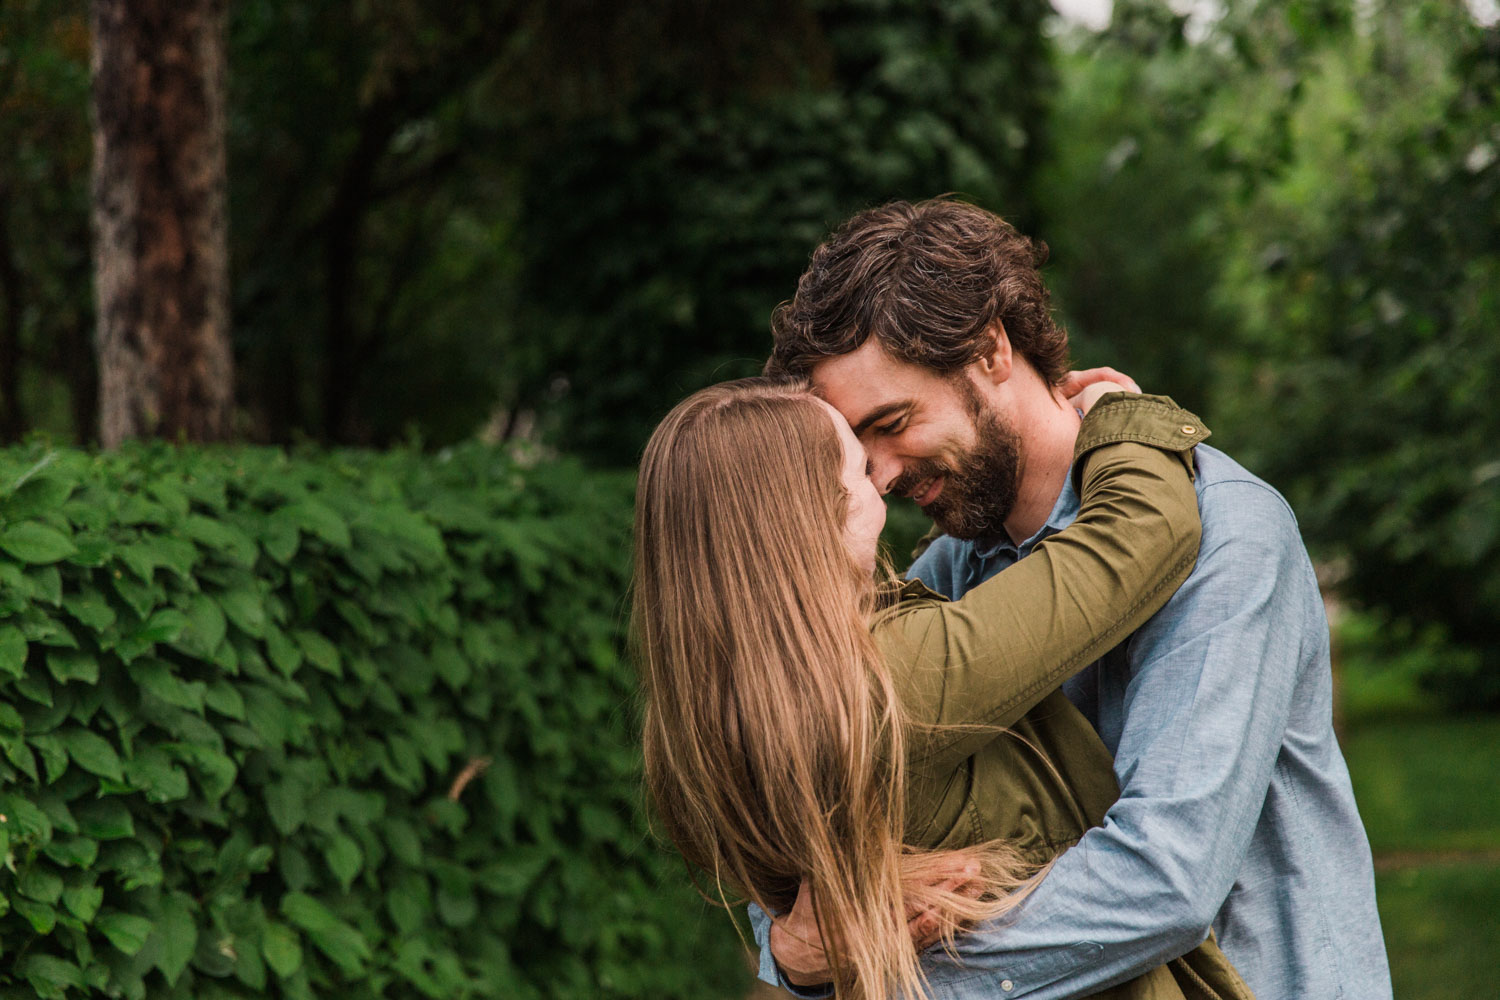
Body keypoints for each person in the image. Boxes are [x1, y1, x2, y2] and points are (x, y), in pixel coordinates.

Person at [753, 197, 1392, 1000]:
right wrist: (787, 944)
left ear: (989, 351)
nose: (878, 474)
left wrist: (880, 967)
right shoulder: (948, 571)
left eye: (893, 421)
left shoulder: (1229, 535)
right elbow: (816, 796)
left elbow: (1165, 877)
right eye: (857, 445)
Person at [634, 374, 1255, 1000]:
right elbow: (1137, 536)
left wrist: (790, 958)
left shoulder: (722, 713)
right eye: (856, 466)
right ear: (817, 513)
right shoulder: (895, 682)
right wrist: (1120, 418)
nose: (880, 478)